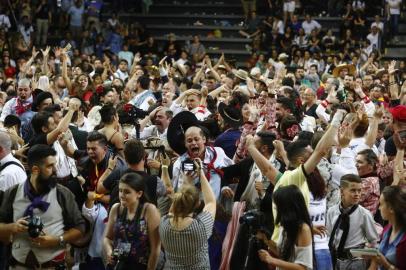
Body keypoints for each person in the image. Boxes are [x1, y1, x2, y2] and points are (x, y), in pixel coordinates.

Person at [0, 144, 85, 269]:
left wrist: (57, 240)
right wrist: (12, 227)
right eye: (50, 166)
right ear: (35, 170)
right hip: (18, 265)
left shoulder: (63, 193)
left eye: (54, 164)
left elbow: (80, 228)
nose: (55, 170)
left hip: (52, 266)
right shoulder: (12, 193)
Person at [159, 157, 216, 269]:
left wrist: (186, 183)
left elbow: (174, 208)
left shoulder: (163, 223)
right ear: (197, 204)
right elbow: (211, 201)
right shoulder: (201, 227)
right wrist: (201, 174)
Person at [103, 172, 161, 270]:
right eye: (120, 191)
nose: (121, 195)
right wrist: (109, 251)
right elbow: (107, 238)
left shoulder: (149, 210)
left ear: (139, 193)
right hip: (118, 264)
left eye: (127, 192)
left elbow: (155, 249)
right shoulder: (116, 208)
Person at [327, 174, 379, 269]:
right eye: (353, 190)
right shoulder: (331, 211)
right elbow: (330, 236)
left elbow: (374, 241)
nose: (357, 194)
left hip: (355, 262)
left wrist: (372, 265)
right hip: (335, 260)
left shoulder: (364, 214)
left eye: (359, 190)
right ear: (342, 191)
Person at [258, 185, 313, 270]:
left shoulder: (303, 229)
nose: (275, 208)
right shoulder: (285, 226)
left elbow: (302, 267)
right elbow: (284, 255)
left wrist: (271, 260)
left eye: (277, 205)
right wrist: (266, 240)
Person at [368, 186, 406, 270]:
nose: (379, 208)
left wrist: (386, 264)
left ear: (391, 208)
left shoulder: (403, 240)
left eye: (381, 204)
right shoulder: (386, 229)